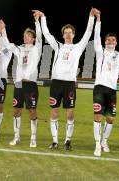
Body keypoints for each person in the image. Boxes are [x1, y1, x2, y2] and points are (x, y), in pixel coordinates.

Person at [39, 8, 95, 150]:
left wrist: (91, 17)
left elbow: (88, 33)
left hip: (70, 83)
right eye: (66, 32)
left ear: (74, 35)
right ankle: (55, 141)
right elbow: (46, 34)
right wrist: (43, 17)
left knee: (70, 113)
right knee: (54, 112)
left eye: (70, 32)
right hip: (56, 83)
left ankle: (68, 141)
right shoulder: (58, 46)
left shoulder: (78, 48)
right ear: (63, 35)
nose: (68, 34)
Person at [92, 9, 119, 156]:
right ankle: (98, 144)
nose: (110, 42)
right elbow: (96, 36)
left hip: (112, 90)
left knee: (110, 119)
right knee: (97, 116)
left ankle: (104, 141)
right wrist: (98, 19)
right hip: (99, 88)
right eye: (108, 40)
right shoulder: (100, 51)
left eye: (113, 40)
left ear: (116, 43)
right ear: (105, 42)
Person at [5, 12, 42, 147]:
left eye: (28, 36)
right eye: (24, 35)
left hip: (31, 85)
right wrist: (3, 30)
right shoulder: (19, 49)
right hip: (19, 85)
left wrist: (37, 21)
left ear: (33, 38)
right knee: (16, 111)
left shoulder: (36, 49)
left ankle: (33, 138)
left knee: (32, 111)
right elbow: (8, 44)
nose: (25, 37)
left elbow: (40, 37)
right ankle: (16, 137)